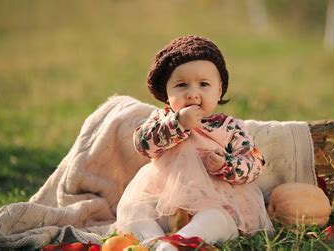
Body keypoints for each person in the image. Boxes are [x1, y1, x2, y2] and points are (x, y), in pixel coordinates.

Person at [116, 35, 273, 250]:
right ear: (167, 94)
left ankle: (180, 242)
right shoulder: (162, 120)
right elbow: (143, 144)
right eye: (181, 85)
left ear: (219, 91)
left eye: (204, 84)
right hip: (163, 203)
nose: (192, 93)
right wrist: (178, 124)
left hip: (214, 202)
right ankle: (153, 241)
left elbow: (254, 163)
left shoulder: (228, 127)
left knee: (218, 219)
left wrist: (225, 165)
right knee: (132, 210)